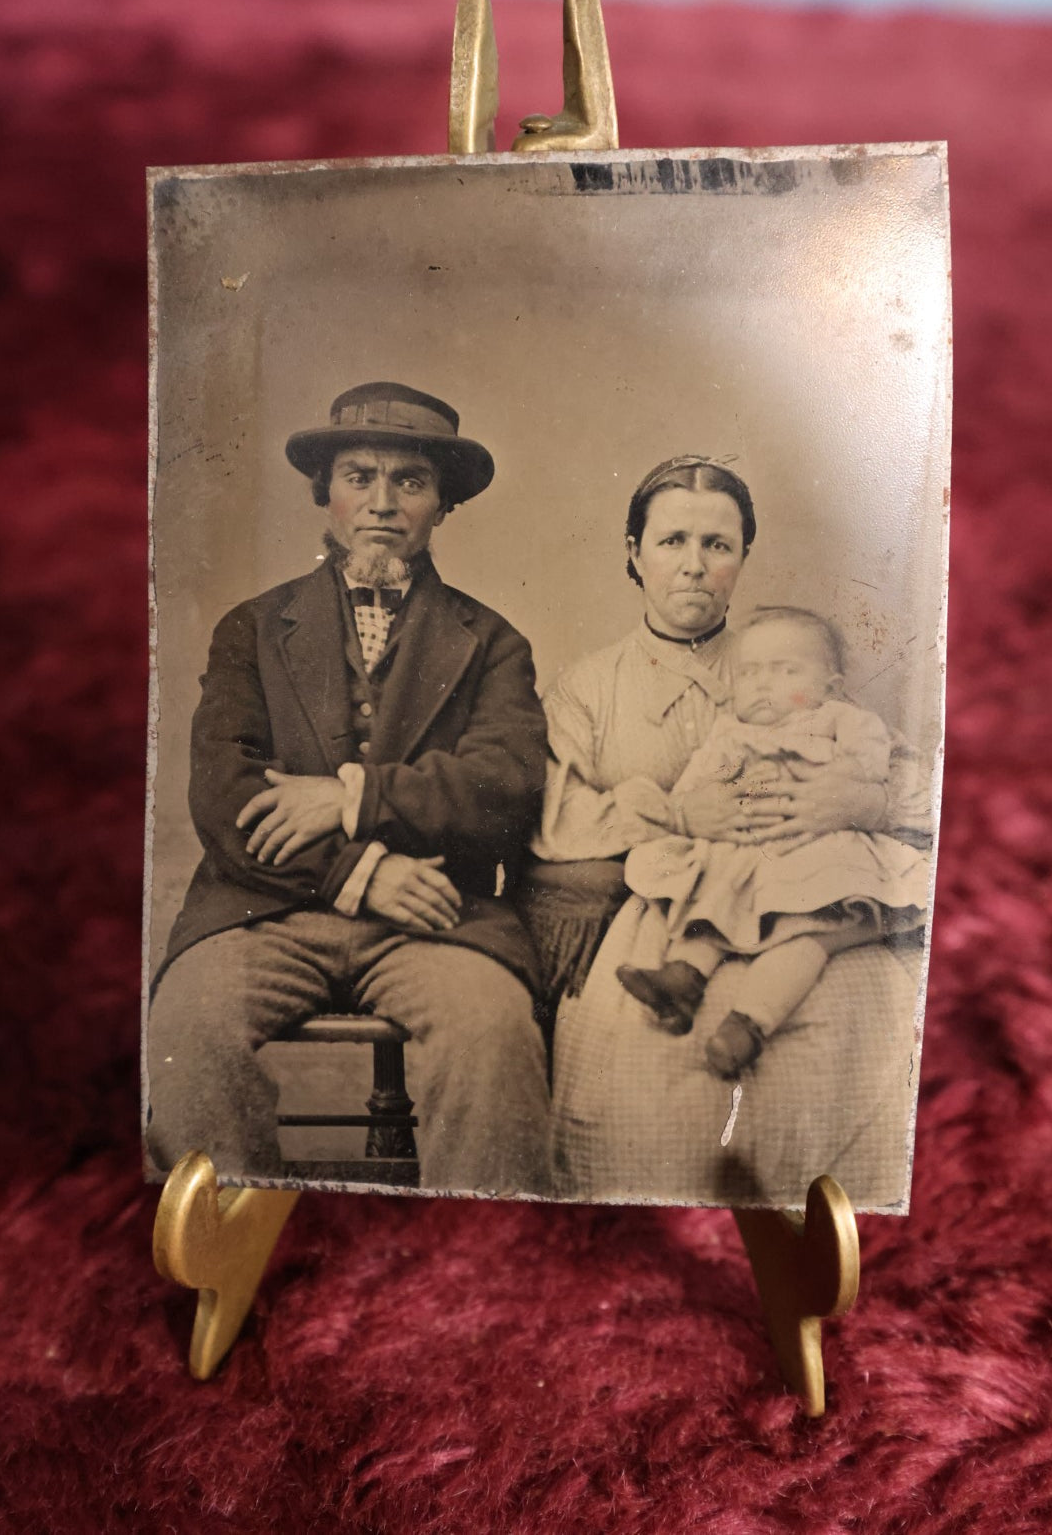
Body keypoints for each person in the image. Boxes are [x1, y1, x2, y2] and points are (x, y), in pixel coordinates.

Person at [147, 381, 552, 1195]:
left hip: (437, 915)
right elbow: (227, 799)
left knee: (492, 1033)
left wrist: (350, 796)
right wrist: (362, 872)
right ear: (324, 493)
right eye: (359, 475)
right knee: (186, 1032)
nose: (381, 502)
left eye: (410, 481)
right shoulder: (252, 628)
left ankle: (484, 1273)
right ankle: (234, 1264)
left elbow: (504, 790)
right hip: (268, 910)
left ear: (442, 504)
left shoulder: (494, 642)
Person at [531, 455, 933, 1207]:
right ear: (634, 552)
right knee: (649, 1064)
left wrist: (860, 800)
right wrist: (676, 813)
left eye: (717, 546)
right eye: (672, 541)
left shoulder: (792, 662)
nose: (693, 566)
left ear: (743, 558)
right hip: (675, 914)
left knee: (859, 1025)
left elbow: (922, 782)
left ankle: (822, 1235)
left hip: (814, 909)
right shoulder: (589, 685)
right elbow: (553, 818)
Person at [615, 605, 931, 1077]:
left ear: (832, 687)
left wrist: (851, 787)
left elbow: (870, 764)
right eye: (750, 673)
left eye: (786, 671)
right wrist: (710, 801)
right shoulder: (730, 735)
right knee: (714, 899)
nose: (763, 684)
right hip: (749, 856)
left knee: (806, 931)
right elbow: (694, 792)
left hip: (822, 852)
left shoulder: (840, 720)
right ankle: (683, 978)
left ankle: (749, 1024)